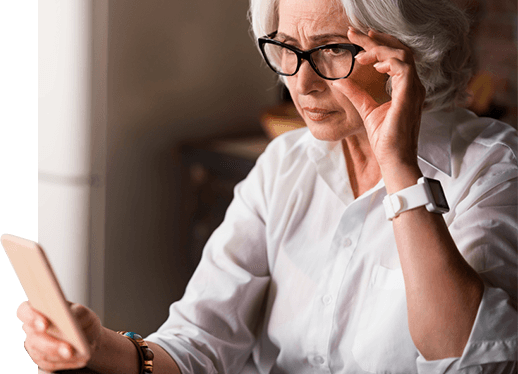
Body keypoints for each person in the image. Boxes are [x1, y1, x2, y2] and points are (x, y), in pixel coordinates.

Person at [18, 0, 517, 372]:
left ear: (405, 51)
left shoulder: (492, 170)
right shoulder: (285, 164)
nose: (301, 83)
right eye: (287, 49)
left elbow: (469, 359)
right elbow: (199, 342)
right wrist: (95, 346)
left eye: (333, 49)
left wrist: (400, 171)